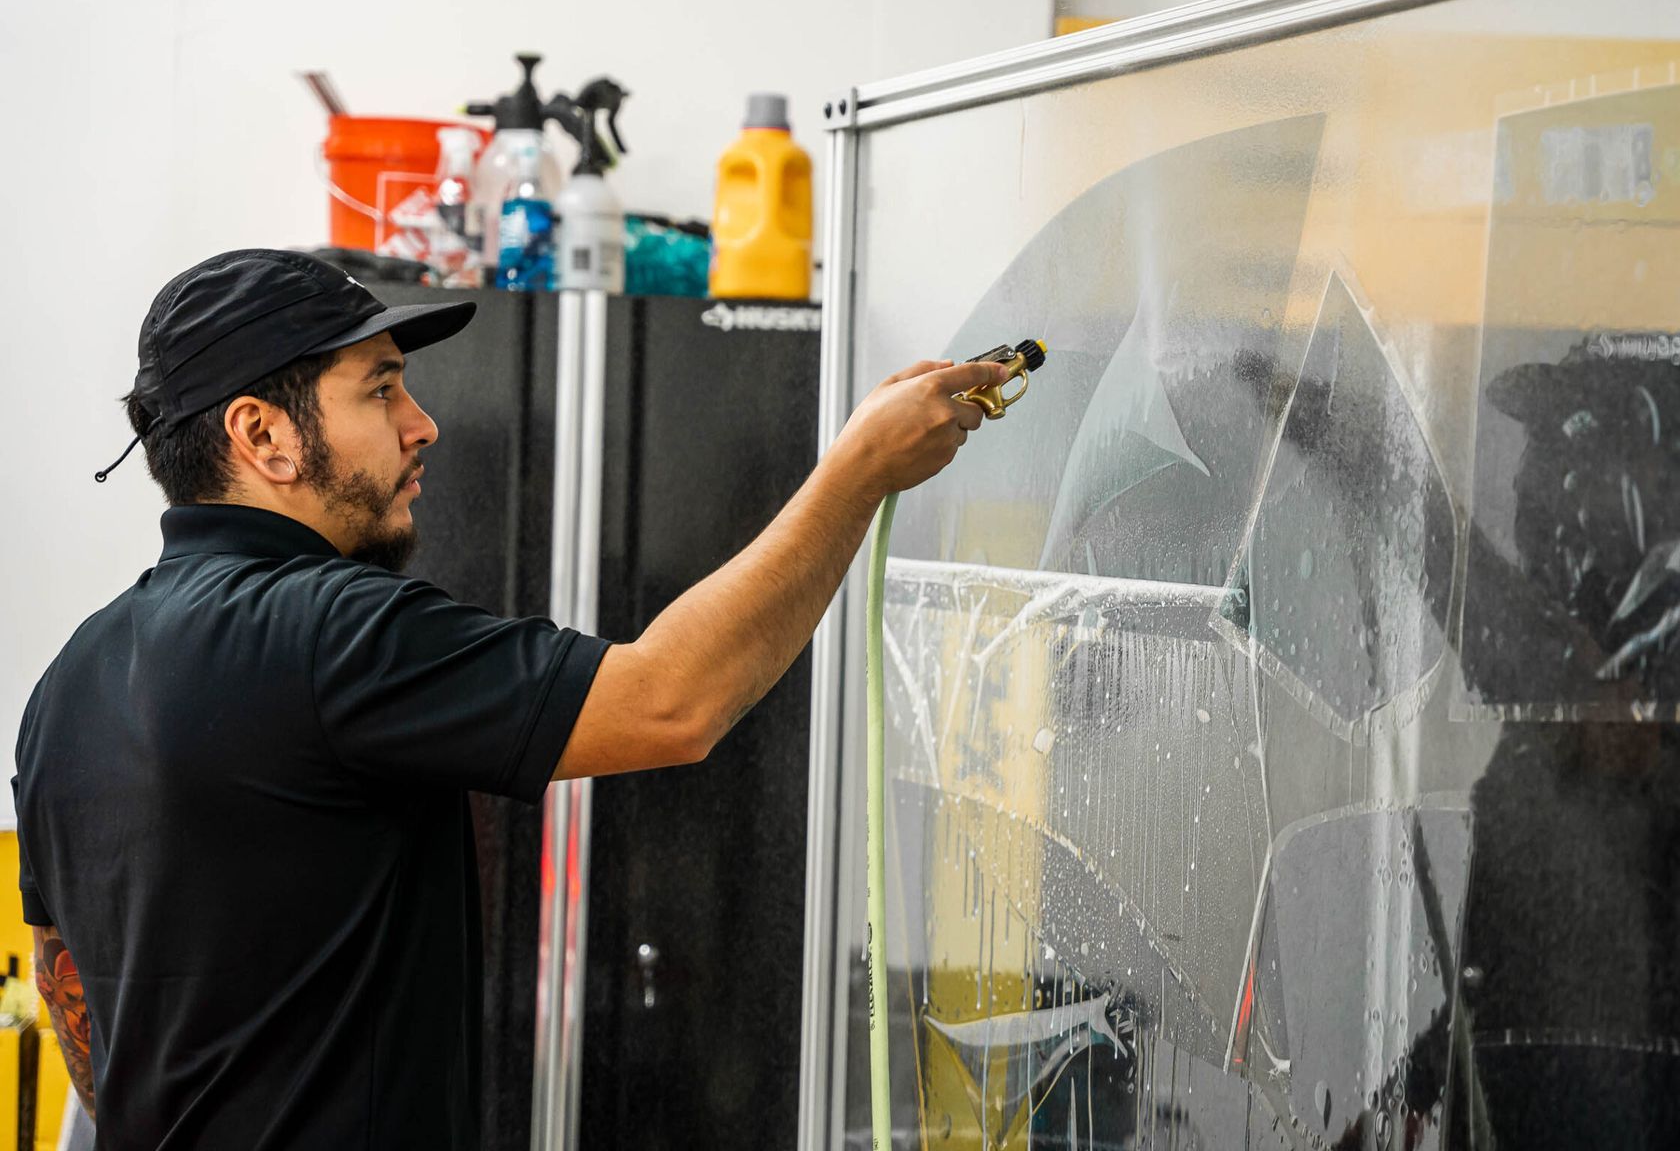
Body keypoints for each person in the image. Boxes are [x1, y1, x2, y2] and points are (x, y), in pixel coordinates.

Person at [14, 249, 1005, 1149]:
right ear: (262, 433)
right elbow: (674, 699)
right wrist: (860, 469)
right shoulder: (330, 628)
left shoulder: (60, 688)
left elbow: (79, 1011)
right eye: (382, 389)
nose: (423, 422)